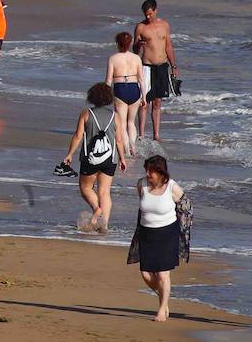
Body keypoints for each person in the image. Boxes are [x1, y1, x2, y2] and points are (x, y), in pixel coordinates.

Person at [61, 82, 127, 233]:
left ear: (92, 97)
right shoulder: (115, 116)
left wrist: (70, 154)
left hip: (89, 158)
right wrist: (122, 158)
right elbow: (118, 140)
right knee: (105, 191)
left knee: (86, 187)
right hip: (110, 159)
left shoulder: (86, 113)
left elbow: (78, 136)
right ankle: (104, 224)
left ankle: (97, 209)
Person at [133, 154, 184, 322]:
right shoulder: (142, 185)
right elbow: (143, 207)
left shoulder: (172, 187)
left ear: (161, 173)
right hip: (147, 233)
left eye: (151, 171)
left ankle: (162, 309)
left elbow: (187, 208)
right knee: (146, 274)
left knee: (163, 275)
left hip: (167, 233)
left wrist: (182, 231)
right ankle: (164, 297)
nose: (148, 174)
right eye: (146, 170)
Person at [132, 0, 177, 142]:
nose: (148, 17)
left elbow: (168, 46)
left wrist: (173, 66)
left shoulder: (164, 25)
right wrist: (138, 44)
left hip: (162, 66)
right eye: (146, 14)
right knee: (144, 102)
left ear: (155, 10)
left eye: (150, 14)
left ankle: (156, 135)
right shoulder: (140, 27)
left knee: (158, 102)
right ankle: (141, 134)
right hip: (147, 66)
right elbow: (134, 49)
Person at [106, 31, 145, 156]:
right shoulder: (136, 58)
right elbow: (141, 79)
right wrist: (144, 96)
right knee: (131, 122)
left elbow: (108, 80)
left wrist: (106, 96)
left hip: (120, 88)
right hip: (134, 89)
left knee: (121, 123)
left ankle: (127, 149)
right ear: (130, 43)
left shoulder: (113, 58)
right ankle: (133, 147)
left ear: (118, 43)